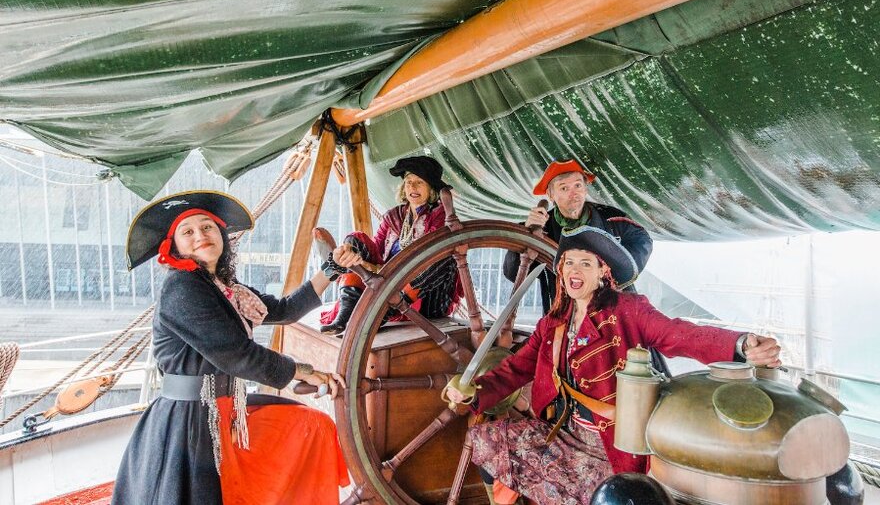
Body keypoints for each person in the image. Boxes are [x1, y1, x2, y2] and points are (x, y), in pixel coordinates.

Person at [446, 225, 781, 504]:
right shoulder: (555, 321)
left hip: (614, 446)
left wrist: (738, 344)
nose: (574, 271)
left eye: (585, 264)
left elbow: (677, 334)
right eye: (568, 263)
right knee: (488, 439)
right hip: (565, 433)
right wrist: (475, 390)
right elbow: (517, 368)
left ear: (602, 274)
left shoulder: (628, 309)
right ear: (560, 270)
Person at [112, 190, 362, 505]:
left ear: (221, 235)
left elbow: (285, 309)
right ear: (174, 247)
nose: (200, 235)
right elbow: (236, 355)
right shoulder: (181, 288)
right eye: (187, 232)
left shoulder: (229, 291)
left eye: (207, 227)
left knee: (313, 426)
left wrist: (331, 270)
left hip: (228, 410)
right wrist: (305, 371)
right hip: (190, 421)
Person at [319, 155, 462, 334]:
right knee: (355, 240)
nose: (412, 187)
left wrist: (388, 276)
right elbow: (377, 249)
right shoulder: (394, 216)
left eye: (419, 182)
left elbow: (429, 259)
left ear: (431, 188)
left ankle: (383, 313)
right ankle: (344, 318)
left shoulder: (440, 216)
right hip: (386, 281)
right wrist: (361, 258)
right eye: (409, 181)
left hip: (423, 297)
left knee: (443, 257)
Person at [503, 159, 653, 315]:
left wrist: (617, 273)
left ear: (585, 189)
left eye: (577, 185)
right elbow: (513, 273)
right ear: (550, 194)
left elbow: (642, 240)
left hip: (615, 312)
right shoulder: (540, 229)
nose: (573, 193)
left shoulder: (612, 218)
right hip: (564, 316)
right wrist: (526, 235)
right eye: (564, 188)